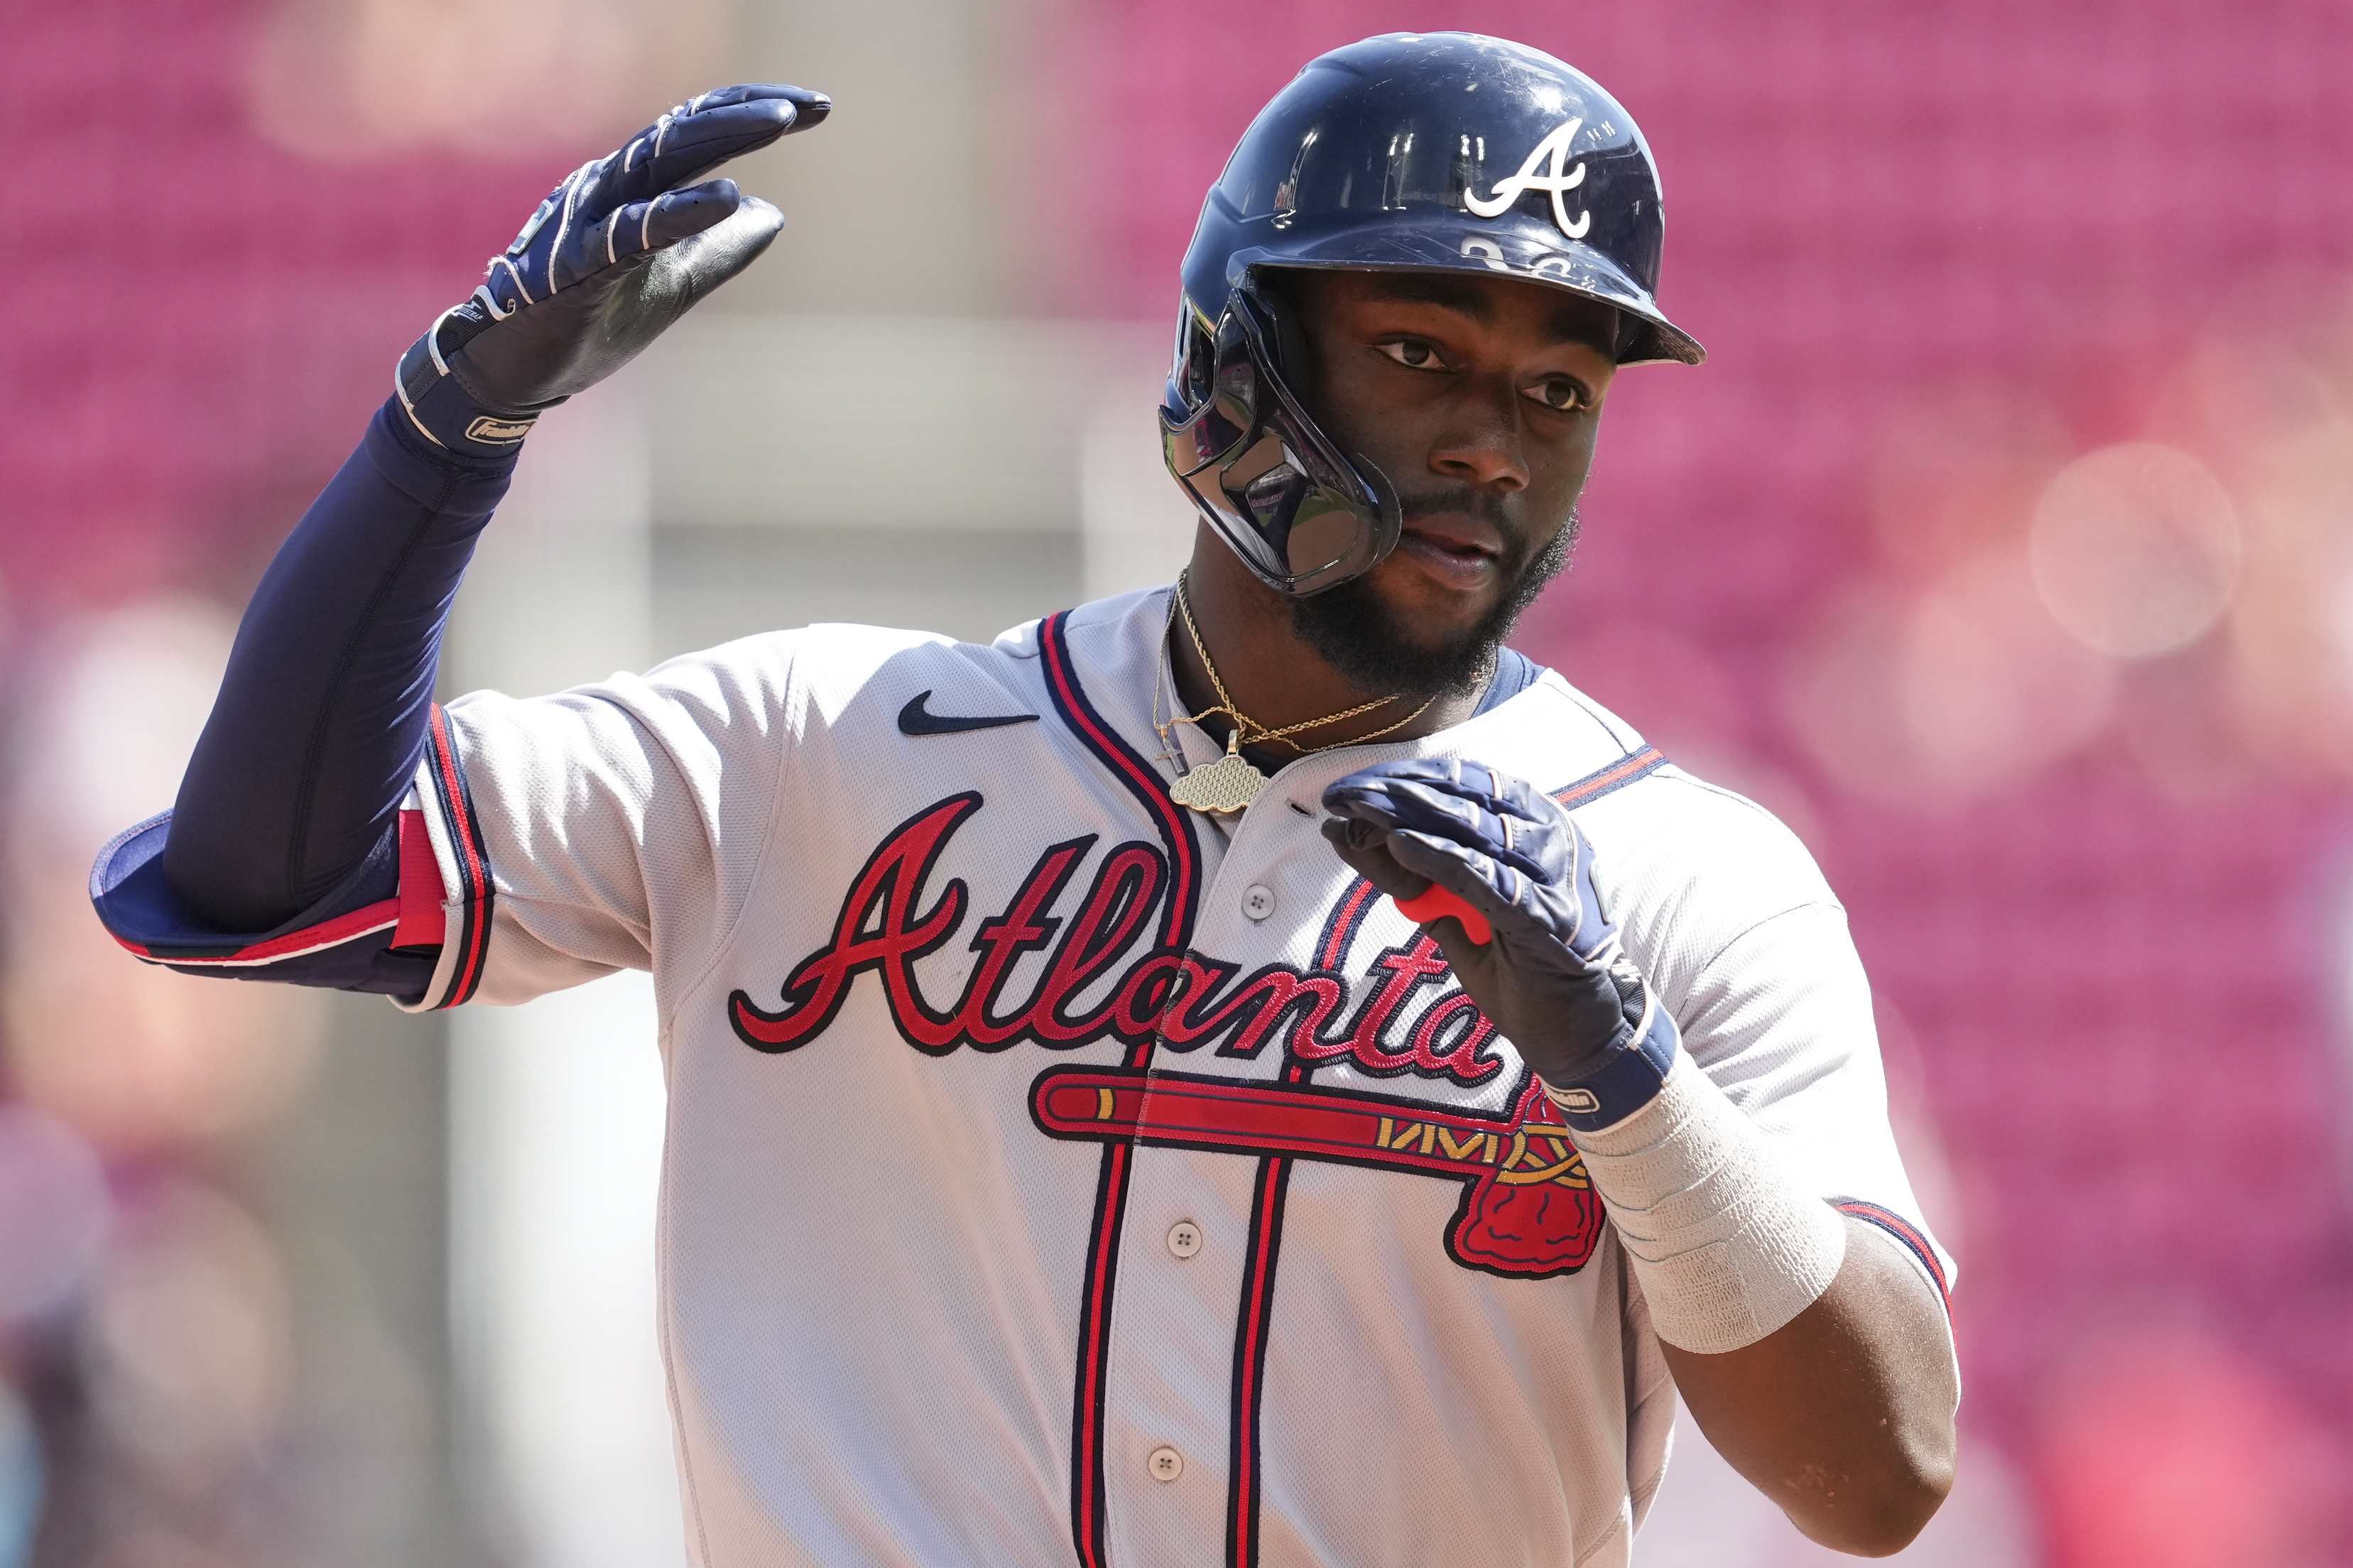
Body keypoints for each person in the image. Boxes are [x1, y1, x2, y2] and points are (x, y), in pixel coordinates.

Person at [92, 35, 1958, 1567]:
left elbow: (1878, 1478)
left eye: (1557, 390)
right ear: (1234, 359)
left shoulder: (1683, 873)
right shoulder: (815, 749)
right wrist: (441, 443)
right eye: (1419, 356)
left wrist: (1624, 1087)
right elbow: (275, 879)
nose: (1494, 438)